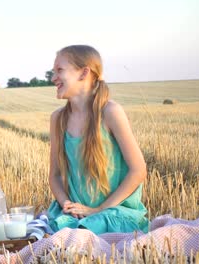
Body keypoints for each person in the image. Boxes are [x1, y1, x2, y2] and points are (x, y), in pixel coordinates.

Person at [47, 45, 149, 235]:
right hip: (74, 215)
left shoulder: (110, 112)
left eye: (59, 70)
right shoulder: (57, 119)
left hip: (112, 213)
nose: (53, 78)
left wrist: (99, 210)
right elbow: (54, 176)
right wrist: (67, 206)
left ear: (84, 73)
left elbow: (139, 170)